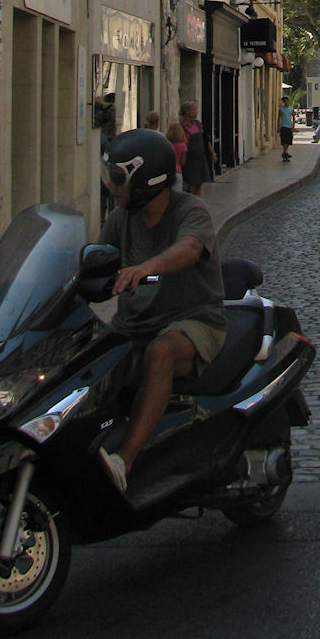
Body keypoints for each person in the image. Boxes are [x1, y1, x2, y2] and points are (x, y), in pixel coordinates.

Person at [97, 128, 226, 493]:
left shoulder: (190, 210)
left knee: (161, 353)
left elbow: (190, 247)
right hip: (132, 323)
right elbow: (96, 261)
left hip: (193, 320)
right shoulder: (121, 218)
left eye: (118, 178)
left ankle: (124, 461)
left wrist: (146, 267)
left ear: (146, 179)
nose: (112, 186)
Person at [179, 100, 215, 196]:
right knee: (190, 184)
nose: (196, 112)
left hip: (200, 158)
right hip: (190, 159)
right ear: (187, 112)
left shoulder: (198, 124)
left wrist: (212, 153)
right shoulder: (182, 127)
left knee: (199, 184)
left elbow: (205, 140)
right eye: (194, 110)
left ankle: (197, 200)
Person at [165, 120, 187, 190]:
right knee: (177, 192)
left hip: (168, 172)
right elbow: (183, 162)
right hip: (178, 172)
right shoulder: (183, 146)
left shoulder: (167, 144)